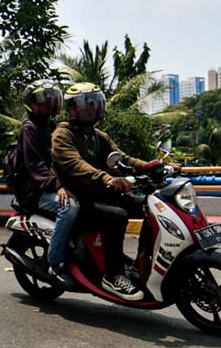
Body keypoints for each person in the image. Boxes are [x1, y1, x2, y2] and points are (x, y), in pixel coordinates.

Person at [51, 82, 178, 301]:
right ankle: (112, 275)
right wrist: (107, 178)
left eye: (93, 104)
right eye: (83, 105)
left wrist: (151, 166)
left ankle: (141, 264)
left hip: (99, 192)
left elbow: (123, 158)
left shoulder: (98, 135)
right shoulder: (63, 135)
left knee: (147, 205)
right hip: (79, 196)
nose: (90, 109)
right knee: (116, 216)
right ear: (72, 109)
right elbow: (76, 165)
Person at [15, 79, 80, 287]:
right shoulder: (29, 128)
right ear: (31, 104)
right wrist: (58, 186)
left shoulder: (50, 127)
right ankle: (55, 262)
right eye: (42, 101)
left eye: (52, 101)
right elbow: (36, 167)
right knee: (69, 207)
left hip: (49, 186)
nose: (48, 105)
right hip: (35, 192)